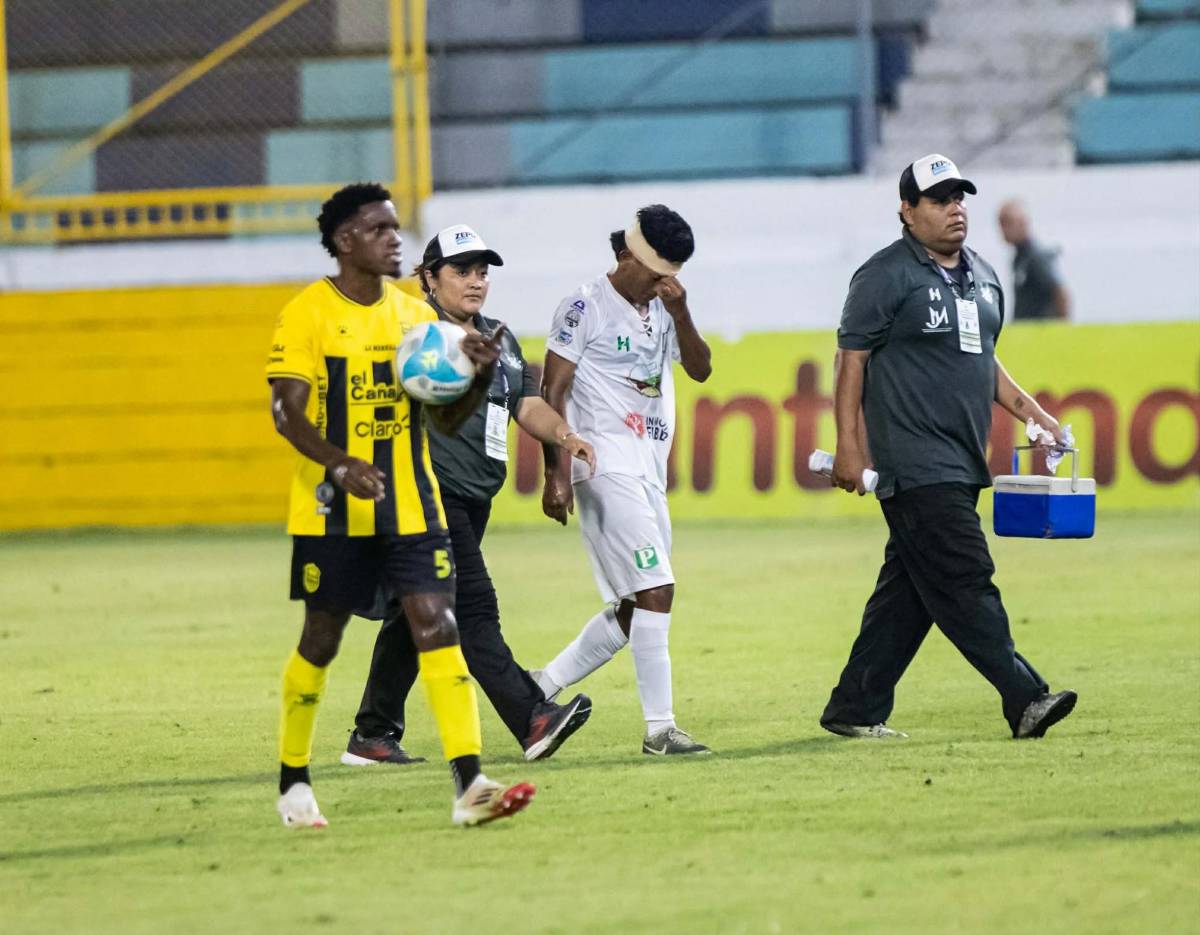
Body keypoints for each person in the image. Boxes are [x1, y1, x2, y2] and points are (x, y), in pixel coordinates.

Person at [266, 183, 535, 828]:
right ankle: (293, 779)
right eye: (380, 229)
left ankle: (471, 788)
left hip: (413, 504)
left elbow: (445, 423)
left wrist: (473, 375)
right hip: (333, 507)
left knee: (438, 626)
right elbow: (284, 413)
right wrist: (340, 461)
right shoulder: (305, 314)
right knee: (321, 641)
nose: (395, 238)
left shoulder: (415, 321)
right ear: (344, 241)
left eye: (396, 228)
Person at [820, 154, 1078, 741]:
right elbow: (850, 362)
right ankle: (1025, 698)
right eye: (939, 200)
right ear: (907, 212)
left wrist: (1034, 416)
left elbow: (985, 361)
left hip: (963, 461)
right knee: (964, 577)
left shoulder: (985, 277)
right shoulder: (883, 275)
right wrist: (849, 447)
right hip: (913, 463)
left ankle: (854, 708)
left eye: (960, 197)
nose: (955, 209)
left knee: (909, 594)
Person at [343, 225, 598, 765]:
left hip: (472, 496)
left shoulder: (500, 340)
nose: (476, 281)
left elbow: (527, 404)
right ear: (430, 278)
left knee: (417, 612)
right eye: (462, 270)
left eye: (482, 270)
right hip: (427, 493)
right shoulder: (414, 334)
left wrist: (566, 436)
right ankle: (532, 717)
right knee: (473, 607)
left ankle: (372, 733)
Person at [533, 204, 714, 756]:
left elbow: (701, 368)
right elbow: (551, 392)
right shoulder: (584, 305)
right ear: (626, 256)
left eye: (674, 274)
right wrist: (555, 475)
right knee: (657, 587)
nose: (666, 282)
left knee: (637, 606)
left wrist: (681, 313)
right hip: (602, 462)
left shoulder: (664, 306)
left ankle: (537, 687)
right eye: (658, 271)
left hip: (647, 467)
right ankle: (660, 729)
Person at [997, 199, 1070, 321]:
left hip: (1041, 334)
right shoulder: (1019, 258)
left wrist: (1061, 332)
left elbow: (1061, 293)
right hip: (1025, 333)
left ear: (1023, 222)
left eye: (1008, 222)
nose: (1003, 229)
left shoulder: (1036, 256)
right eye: (1001, 223)